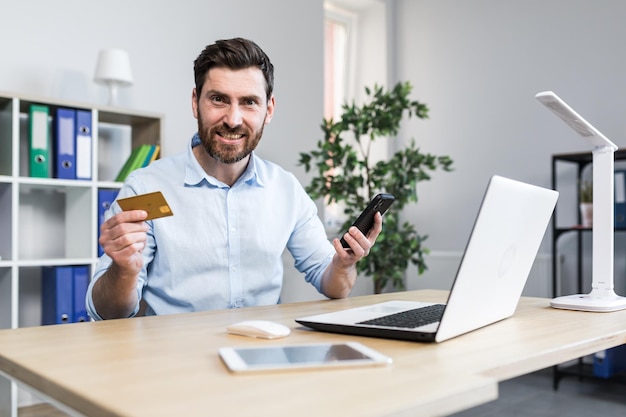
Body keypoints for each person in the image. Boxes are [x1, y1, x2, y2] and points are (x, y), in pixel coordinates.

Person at [86, 37, 383, 320]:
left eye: (249, 102)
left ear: (268, 109)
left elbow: (333, 283)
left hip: (262, 356)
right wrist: (123, 271)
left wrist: (344, 265)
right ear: (195, 102)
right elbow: (108, 313)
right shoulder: (146, 187)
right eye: (218, 99)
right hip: (175, 360)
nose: (233, 119)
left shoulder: (285, 189)